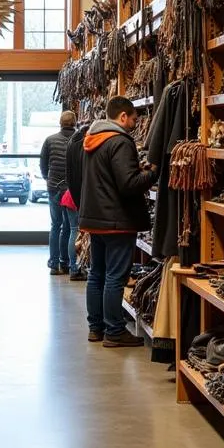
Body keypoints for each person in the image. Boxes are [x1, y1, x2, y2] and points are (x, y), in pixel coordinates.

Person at [78, 97, 156, 347]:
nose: (135, 123)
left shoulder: (92, 139)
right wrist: (151, 174)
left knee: (97, 274)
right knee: (115, 276)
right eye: (134, 119)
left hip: (95, 217)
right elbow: (128, 184)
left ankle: (96, 327)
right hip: (117, 219)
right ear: (123, 117)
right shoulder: (120, 141)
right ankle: (114, 331)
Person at [40, 110, 77, 275]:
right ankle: (67, 263)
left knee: (55, 225)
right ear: (75, 123)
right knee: (70, 227)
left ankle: (54, 264)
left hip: (54, 187)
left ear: (60, 123)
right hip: (72, 190)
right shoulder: (80, 140)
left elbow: (43, 164)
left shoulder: (49, 140)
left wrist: (47, 179)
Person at [64, 119, 89, 281]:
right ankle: (74, 268)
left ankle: (73, 265)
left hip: (69, 196)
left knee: (70, 231)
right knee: (74, 231)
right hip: (75, 198)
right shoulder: (83, 149)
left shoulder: (74, 145)